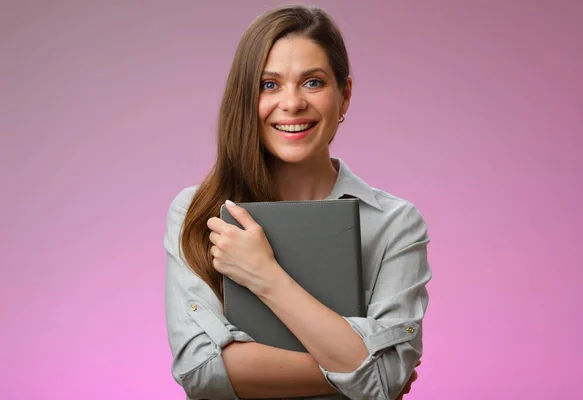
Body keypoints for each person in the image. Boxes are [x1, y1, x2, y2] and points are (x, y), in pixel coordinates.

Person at [163, 4, 432, 399]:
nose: (291, 103)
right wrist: (364, 367)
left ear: (345, 95)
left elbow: (389, 373)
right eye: (269, 85)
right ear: (245, 98)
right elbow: (201, 371)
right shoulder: (198, 212)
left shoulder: (395, 224)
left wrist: (264, 276)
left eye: (313, 82)